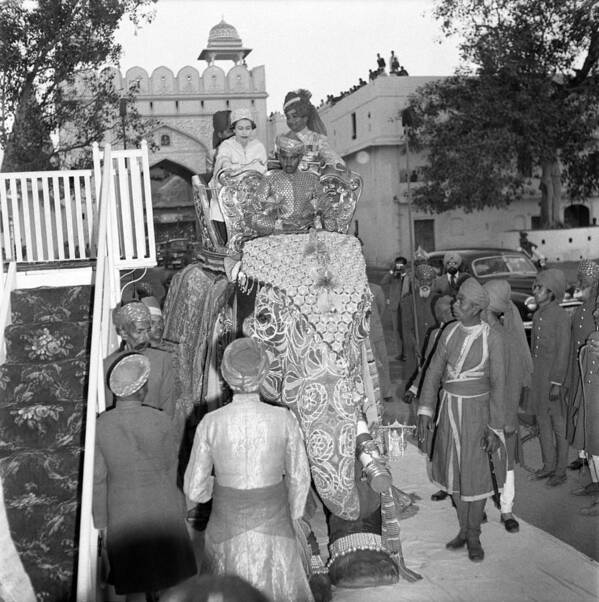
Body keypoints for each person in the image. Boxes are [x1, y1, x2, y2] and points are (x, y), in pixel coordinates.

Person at [184, 337, 313, 602]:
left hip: (224, 528)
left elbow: (194, 490)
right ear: (264, 373)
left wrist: (219, 489)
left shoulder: (210, 422)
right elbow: (300, 478)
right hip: (277, 527)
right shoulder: (283, 418)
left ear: (226, 375)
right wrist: (293, 515)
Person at [93, 353, 196, 601]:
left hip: (124, 515)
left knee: (135, 586)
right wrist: (181, 505)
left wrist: (101, 522)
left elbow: (98, 478)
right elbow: (173, 466)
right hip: (164, 508)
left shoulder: (101, 425)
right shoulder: (161, 420)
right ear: (141, 389)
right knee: (171, 581)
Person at [417, 278, 506, 562]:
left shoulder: (493, 337)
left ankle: (474, 535)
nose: (455, 304)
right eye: (456, 300)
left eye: (461, 302)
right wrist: (426, 410)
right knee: (453, 472)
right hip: (449, 410)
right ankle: (464, 529)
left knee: (476, 475)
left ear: (477, 308)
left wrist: (494, 427)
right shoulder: (449, 331)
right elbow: (432, 373)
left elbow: (499, 385)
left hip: (477, 415)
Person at [483, 280, 533, 533]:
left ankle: (506, 509)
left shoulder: (503, 336)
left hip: (501, 409)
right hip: (479, 405)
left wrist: (509, 416)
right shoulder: (477, 329)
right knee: (479, 457)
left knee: (506, 461)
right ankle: (477, 503)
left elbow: (511, 381)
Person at [528, 268, 571, 487]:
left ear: (552, 292)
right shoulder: (537, 314)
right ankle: (548, 464)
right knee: (543, 423)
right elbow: (534, 349)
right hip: (539, 378)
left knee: (558, 425)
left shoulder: (560, 316)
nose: (535, 291)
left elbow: (564, 351)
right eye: (535, 287)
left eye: (539, 288)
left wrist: (557, 383)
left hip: (554, 379)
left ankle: (561, 470)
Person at [104, 301, 176, 418]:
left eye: (148, 331)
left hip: (155, 430)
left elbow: (169, 409)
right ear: (123, 333)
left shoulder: (162, 360)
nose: (146, 337)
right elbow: (108, 411)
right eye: (139, 331)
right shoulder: (109, 365)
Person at [564, 259, 599, 475]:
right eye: (579, 278)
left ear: (595, 281)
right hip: (579, 371)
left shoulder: (597, 308)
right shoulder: (579, 311)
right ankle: (583, 457)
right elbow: (572, 346)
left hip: (593, 373)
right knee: (578, 415)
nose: (580, 283)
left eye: (584, 279)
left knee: (592, 420)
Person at [282, 88, 345, 171]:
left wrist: (336, 165)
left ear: (305, 117)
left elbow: (333, 158)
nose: (291, 121)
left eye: (294, 116)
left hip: (311, 181)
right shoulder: (284, 140)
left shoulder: (315, 139)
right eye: (288, 117)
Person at [577, 298, 599, 515]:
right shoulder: (594, 337)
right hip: (590, 397)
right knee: (589, 445)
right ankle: (595, 482)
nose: (596, 312)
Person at [400, 263, 437, 369]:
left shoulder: (439, 299)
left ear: (433, 282)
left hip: (435, 347)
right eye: (421, 280)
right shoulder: (407, 301)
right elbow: (406, 328)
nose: (425, 283)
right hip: (416, 348)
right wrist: (414, 345)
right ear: (416, 282)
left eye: (428, 280)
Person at [380, 256, 410, 360]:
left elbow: (411, 284)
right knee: (396, 330)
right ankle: (400, 353)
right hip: (395, 306)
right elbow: (383, 282)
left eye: (401, 265)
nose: (399, 267)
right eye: (397, 264)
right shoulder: (392, 275)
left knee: (406, 330)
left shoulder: (407, 275)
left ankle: (407, 353)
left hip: (406, 306)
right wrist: (392, 271)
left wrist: (404, 273)